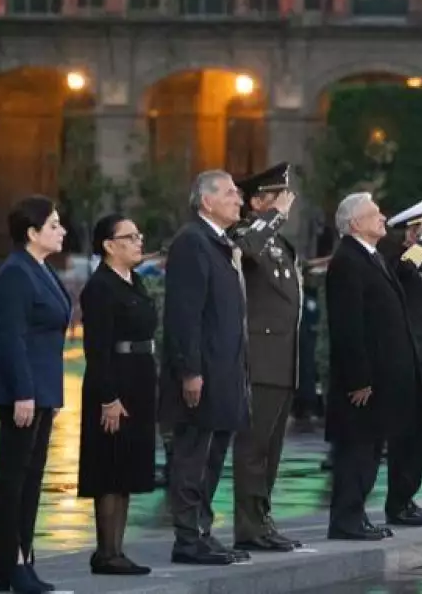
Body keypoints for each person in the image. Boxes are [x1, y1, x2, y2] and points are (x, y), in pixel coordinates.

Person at [160, 171, 251, 566]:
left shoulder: (218, 242)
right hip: (203, 373)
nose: (239, 199)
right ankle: (187, 537)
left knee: (213, 456)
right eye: (230, 193)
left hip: (225, 370)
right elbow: (185, 314)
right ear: (206, 201)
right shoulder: (192, 242)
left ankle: (202, 529)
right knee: (192, 455)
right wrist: (190, 370)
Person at [0, 196, 72, 593]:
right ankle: (10, 564)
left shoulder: (40, 269)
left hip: (43, 391)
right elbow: (11, 339)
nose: (62, 231)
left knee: (32, 479)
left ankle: (25, 559)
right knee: (14, 480)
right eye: (54, 224)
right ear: (32, 233)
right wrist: (23, 392)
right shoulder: (16, 273)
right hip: (23, 392)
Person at [325, 192, 419, 541]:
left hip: (382, 378)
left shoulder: (372, 257)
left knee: (370, 449)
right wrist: (359, 377)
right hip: (362, 381)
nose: (383, 217)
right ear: (355, 224)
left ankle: (357, 514)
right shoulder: (347, 261)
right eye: (374, 213)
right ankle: (346, 518)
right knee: (356, 449)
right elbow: (348, 324)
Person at [230, 163, 302, 553]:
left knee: (271, 451)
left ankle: (262, 519)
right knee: (254, 449)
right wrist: (272, 217)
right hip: (260, 358)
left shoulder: (279, 242)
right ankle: (248, 525)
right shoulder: (245, 233)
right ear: (257, 202)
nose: (285, 205)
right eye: (277, 197)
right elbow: (246, 251)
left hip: (281, 359)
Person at [79, 214, 156, 577]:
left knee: (126, 468)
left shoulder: (135, 281)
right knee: (109, 467)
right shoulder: (101, 288)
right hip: (114, 382)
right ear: (110, 245)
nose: (139, 241)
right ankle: (106, 552)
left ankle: (116, 549)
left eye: (139, 235)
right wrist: (108, 397)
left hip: (139, 379)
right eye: (131, 236)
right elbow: (97, 349)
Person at [379, 197, 422, 527]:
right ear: (410, 233)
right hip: (406, 359)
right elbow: (403, 270)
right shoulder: (395, 261)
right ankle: (398, 501)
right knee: (405, 433)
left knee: (421, 433)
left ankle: (408, 496)